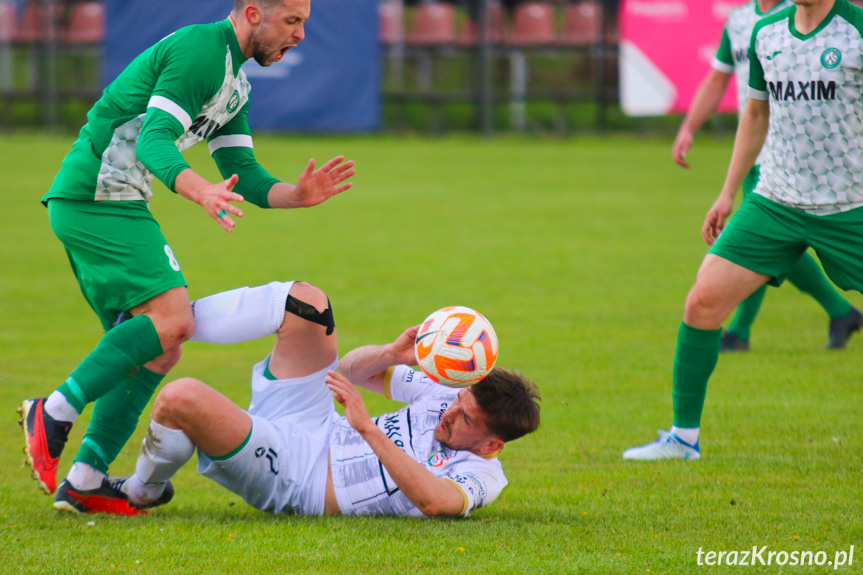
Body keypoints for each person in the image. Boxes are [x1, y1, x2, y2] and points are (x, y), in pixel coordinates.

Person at [18, 0, 356, 508]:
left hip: (107, 200)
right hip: (97, 196)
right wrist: (202, 191)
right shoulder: (202, 50)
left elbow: (244, 167)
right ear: (252, 14)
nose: (301, 34)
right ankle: (53, 412)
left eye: (305, 23)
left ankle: (85, 480)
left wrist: (297, 194)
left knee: (159, 344)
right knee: (173, 319)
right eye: (292, 21)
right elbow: (155, 141)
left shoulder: (235, 81)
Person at [50, 280, 542, 516]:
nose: (450, 410)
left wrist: (368, 428)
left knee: (180, 398)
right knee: (307, 303)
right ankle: (167, 325)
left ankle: (140, 491)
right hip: (310, 420)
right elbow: (347, 372)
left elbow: (437, 503)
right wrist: (394, 352)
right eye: (458, 401)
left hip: (300, 478)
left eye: (464, 418)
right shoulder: (445, 399)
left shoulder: (481, 475)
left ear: (492, 444)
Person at [625, 0, 863, 460]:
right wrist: (727, 192)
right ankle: (682, 439)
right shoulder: (766, 32)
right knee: (703, 301)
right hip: (775, 200)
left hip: (850, 204)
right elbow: (755, 114)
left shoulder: (857, 31)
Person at [672, 0, 862, 353]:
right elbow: (719, 79)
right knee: (764, 247)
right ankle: (830, 313)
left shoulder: (821, 18)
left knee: (775, 247)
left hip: (830, 173)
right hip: (762, 158)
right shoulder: (742, 22)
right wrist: (689, 127)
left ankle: (754, 328)